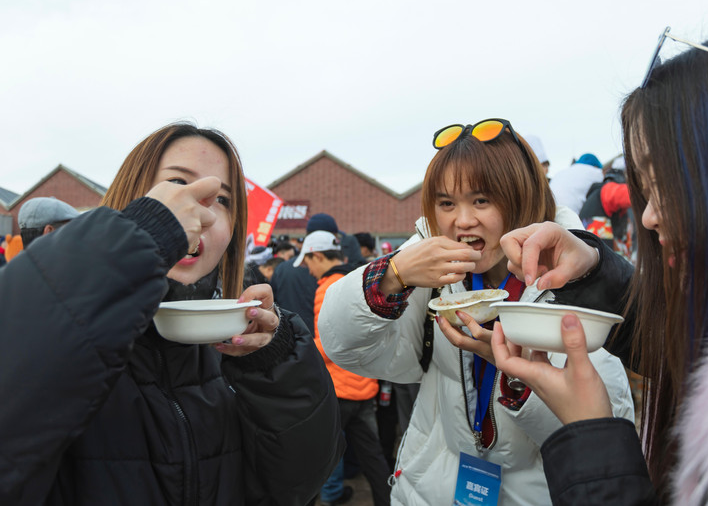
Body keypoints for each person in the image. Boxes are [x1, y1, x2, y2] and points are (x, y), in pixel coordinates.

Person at [492, 26, 708, 505]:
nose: (650, 216)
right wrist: (591, 268)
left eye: (665, 182)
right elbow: (679, 351)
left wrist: (591, 435)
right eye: (645, 189)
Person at [0, 122, 344, 505]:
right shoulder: (65, 336)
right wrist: (138, 240)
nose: (204, 214)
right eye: (178, 184)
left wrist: (275, 365)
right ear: (132, 199)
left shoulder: (241, 347)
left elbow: (296, 484)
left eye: (223, 200)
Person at [318, 118, 633, 505]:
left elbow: (606, 430)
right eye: (446, 203)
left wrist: (519, 374)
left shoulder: (576, 275)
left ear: (522, 198)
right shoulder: (429, 269)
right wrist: (390, 275)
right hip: (433, 486)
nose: (462, 220)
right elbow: (342, 345)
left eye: (481, 200)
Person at [296, 230, 391, 506]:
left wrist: (300, 351)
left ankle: (322, 499)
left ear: (317, 256)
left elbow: (331, 343)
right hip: (364, 386)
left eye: (307, 262)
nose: (308, 270)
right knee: (372, 457)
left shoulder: (328, 287)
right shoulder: (359, 280)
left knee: (321, 457)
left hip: (338, 390)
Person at [578, 155, 634, 259]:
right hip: (597, 233)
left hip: (590, 240)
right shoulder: (609, 189)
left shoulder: (599, 192)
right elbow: (626, 194)